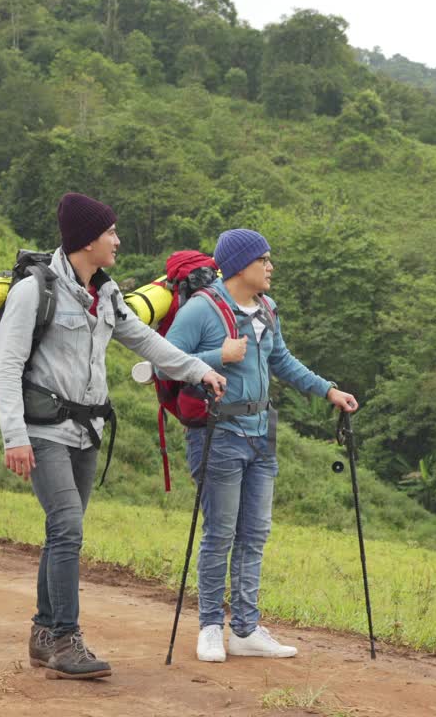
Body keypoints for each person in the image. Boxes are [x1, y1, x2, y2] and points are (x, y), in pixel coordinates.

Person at [0, 192, 226, 680]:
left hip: (87, 429)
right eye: (111, 233)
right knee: (68, 528)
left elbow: (144, 339)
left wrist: (197, 370)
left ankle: (41, 631)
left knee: (62, 531)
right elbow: (7, 366)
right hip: (43, 431)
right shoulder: (33, 292)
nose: (117, 240)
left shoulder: (106, 294)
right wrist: (14, 435)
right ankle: (64, 639)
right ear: (86, 240)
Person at [164, 228, 359, 663]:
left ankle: (246, 629)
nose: (271, 267)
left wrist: (328, 391)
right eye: (264, 260)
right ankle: (211, 627)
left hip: (260, 432)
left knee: (255, 534)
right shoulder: (201, 309)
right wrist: (219, 357)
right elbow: (166, 357)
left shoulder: (267, 309)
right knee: (220, 534)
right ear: (239, 265)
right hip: (218, 435)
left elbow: (282, 360)